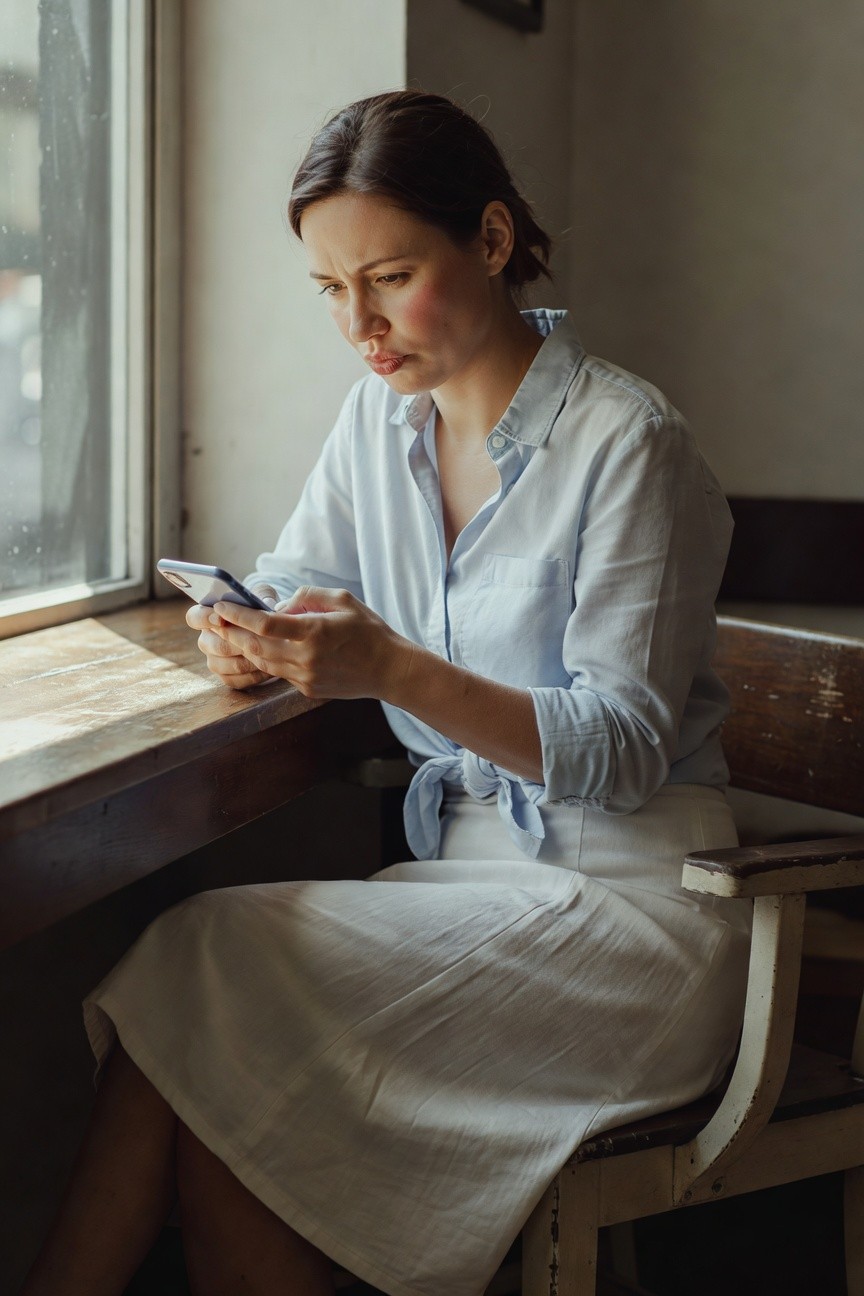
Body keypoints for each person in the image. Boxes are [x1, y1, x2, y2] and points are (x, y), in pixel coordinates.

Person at [22, 90, 751, 1296]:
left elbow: (622, 747)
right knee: (210, 1055)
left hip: (633, 917)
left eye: (390, 276)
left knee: (203, 967)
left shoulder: (632, 443)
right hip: (467, 887)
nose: (359, 323)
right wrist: (252, 633)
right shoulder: (381, 418)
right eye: (330, 291)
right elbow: (306, 581)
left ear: (495, 240)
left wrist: (393, 669)